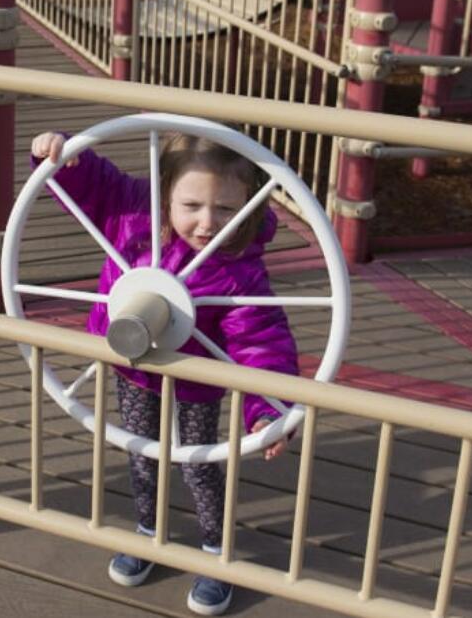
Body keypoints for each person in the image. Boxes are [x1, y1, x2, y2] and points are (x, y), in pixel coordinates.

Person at [30, 129, 298, 617]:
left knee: (198, 463)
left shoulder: (238, 268)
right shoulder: (133, 215)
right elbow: (93, 185)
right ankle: (149, 535)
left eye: (225, 209)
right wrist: (64, 155)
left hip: (195, 379)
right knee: (141, 453)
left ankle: (217, 554)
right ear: (164, 192)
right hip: (133, 367)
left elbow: (261, 344)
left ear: (249, 204)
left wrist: (268, 409)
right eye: (191, 205)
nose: (206, 223)